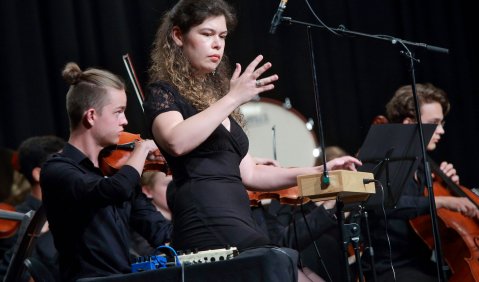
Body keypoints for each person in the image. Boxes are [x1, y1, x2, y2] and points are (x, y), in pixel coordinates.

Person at [143, 0, 361, 280]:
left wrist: (320, 171)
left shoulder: (217, 102)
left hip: (238, 220)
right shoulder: (164, 93)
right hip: (205, 219)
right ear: (177, 36)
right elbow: (176, 141)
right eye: (207, 34)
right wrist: (233, 97)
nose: (217, 44)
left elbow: (251, 173)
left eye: (222, 36)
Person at [40, 62, 172, 281]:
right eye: (118, 112)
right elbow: (113, 190)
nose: (125, 121)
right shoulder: (57, 170)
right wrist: (141, 150)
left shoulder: (115, 170)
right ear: (91, 116)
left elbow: (158, 230)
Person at [363, 83, 479, 282]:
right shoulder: (383, 160)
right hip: (391, 268)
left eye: (442, 123)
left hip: (423, 263)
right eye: (435, 123)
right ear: (409, 123)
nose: (441, 130)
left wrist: (447, 188)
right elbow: (381, 204)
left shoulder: (423, 165)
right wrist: (441, 201)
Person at [0, 135, 65, 281]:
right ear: (39, 174)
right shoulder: (12, 223)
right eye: (64, 166)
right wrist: (35, 236)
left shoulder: (75, 212)